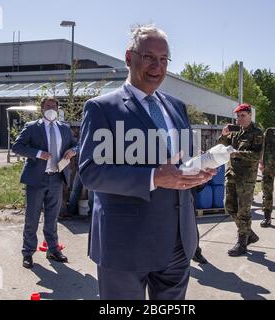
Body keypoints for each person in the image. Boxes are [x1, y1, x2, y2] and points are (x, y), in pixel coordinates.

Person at [79, 25, 216, 300]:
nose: (157, 66)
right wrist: (153, 177)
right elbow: (91, 173)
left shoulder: (176, 107)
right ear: (129, 58)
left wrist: (197, 174)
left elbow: (181, 162)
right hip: (125, 246)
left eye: (164, 59)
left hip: (178, 242)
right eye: (149, 57)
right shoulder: (101, 108)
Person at [12, 97, 76, 269]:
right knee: (32, 217)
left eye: (54, 105)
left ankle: (53, 250)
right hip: (36, 178)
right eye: (48, 105)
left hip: (56, 178)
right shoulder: (32, 127)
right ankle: (28, 253)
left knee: (52, 218)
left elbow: (77, 145)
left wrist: (73, 150)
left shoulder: (64, 128)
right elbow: (17, 147)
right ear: (42, 108)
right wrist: (38, 153)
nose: (52, 108)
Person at [218, 104, 263, 257]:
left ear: (250, 115)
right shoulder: (235, 132)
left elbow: (256, 155)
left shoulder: (256, 133)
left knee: (243, 211)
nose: (239, 119)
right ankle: (249, 233)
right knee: (229, 207)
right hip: (231, 174)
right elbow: (221, 147)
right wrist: (224, 135)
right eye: (238, 116)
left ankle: (242, 243)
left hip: (246, 178)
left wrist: (238, 154)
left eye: (243, 116)